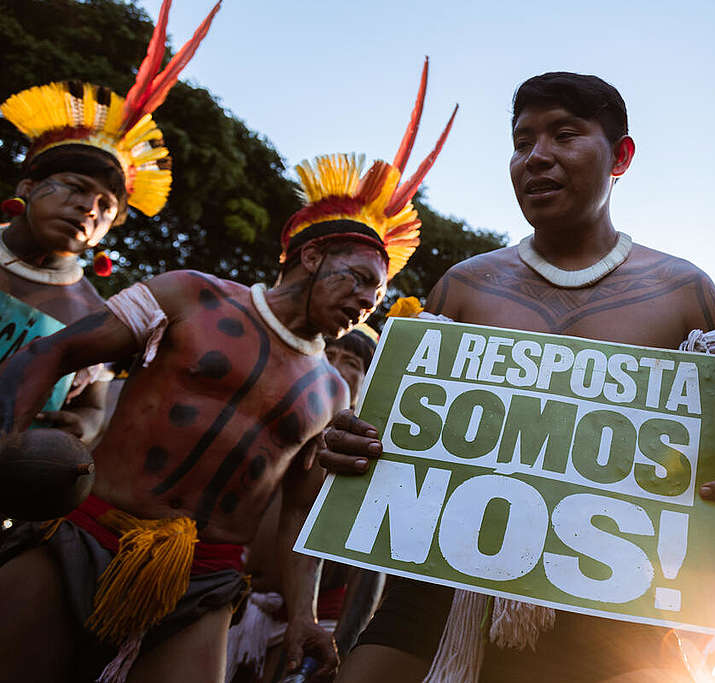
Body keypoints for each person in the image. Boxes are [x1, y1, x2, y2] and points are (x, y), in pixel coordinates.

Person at [0, 59, 455, 683]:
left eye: (375, 299)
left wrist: (303, 617)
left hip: (205, 580)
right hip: (84, 533)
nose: (363, 303)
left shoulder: (331, 389)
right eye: (358, 281)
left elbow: (299, 514)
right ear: (312, 255)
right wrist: (13, 441)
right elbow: (52, 352)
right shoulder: (189, 294)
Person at [324, 71, 715, 683]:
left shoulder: (683, 295)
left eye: (564, 134)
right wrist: (352, 443)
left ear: (621, 156)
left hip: (615, 610)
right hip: (435, 597)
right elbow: (390, 444)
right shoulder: (462, 287)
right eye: (522, 140)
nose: (537, 157)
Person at [0, 0, 222, 445]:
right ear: (26, 188)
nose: (89, 209)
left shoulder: (96, 314)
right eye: (74, 187)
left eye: (105, 205)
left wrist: (81, 427)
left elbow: (92, 409)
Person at [226, 325, 381, 683]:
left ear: (369, 378)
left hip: (317, 620)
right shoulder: (276, 424)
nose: (335, 366)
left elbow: (369, 566)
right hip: (237, 602)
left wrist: (345, 643)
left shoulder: (364, 449)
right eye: (330, 355)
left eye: (351, 362)